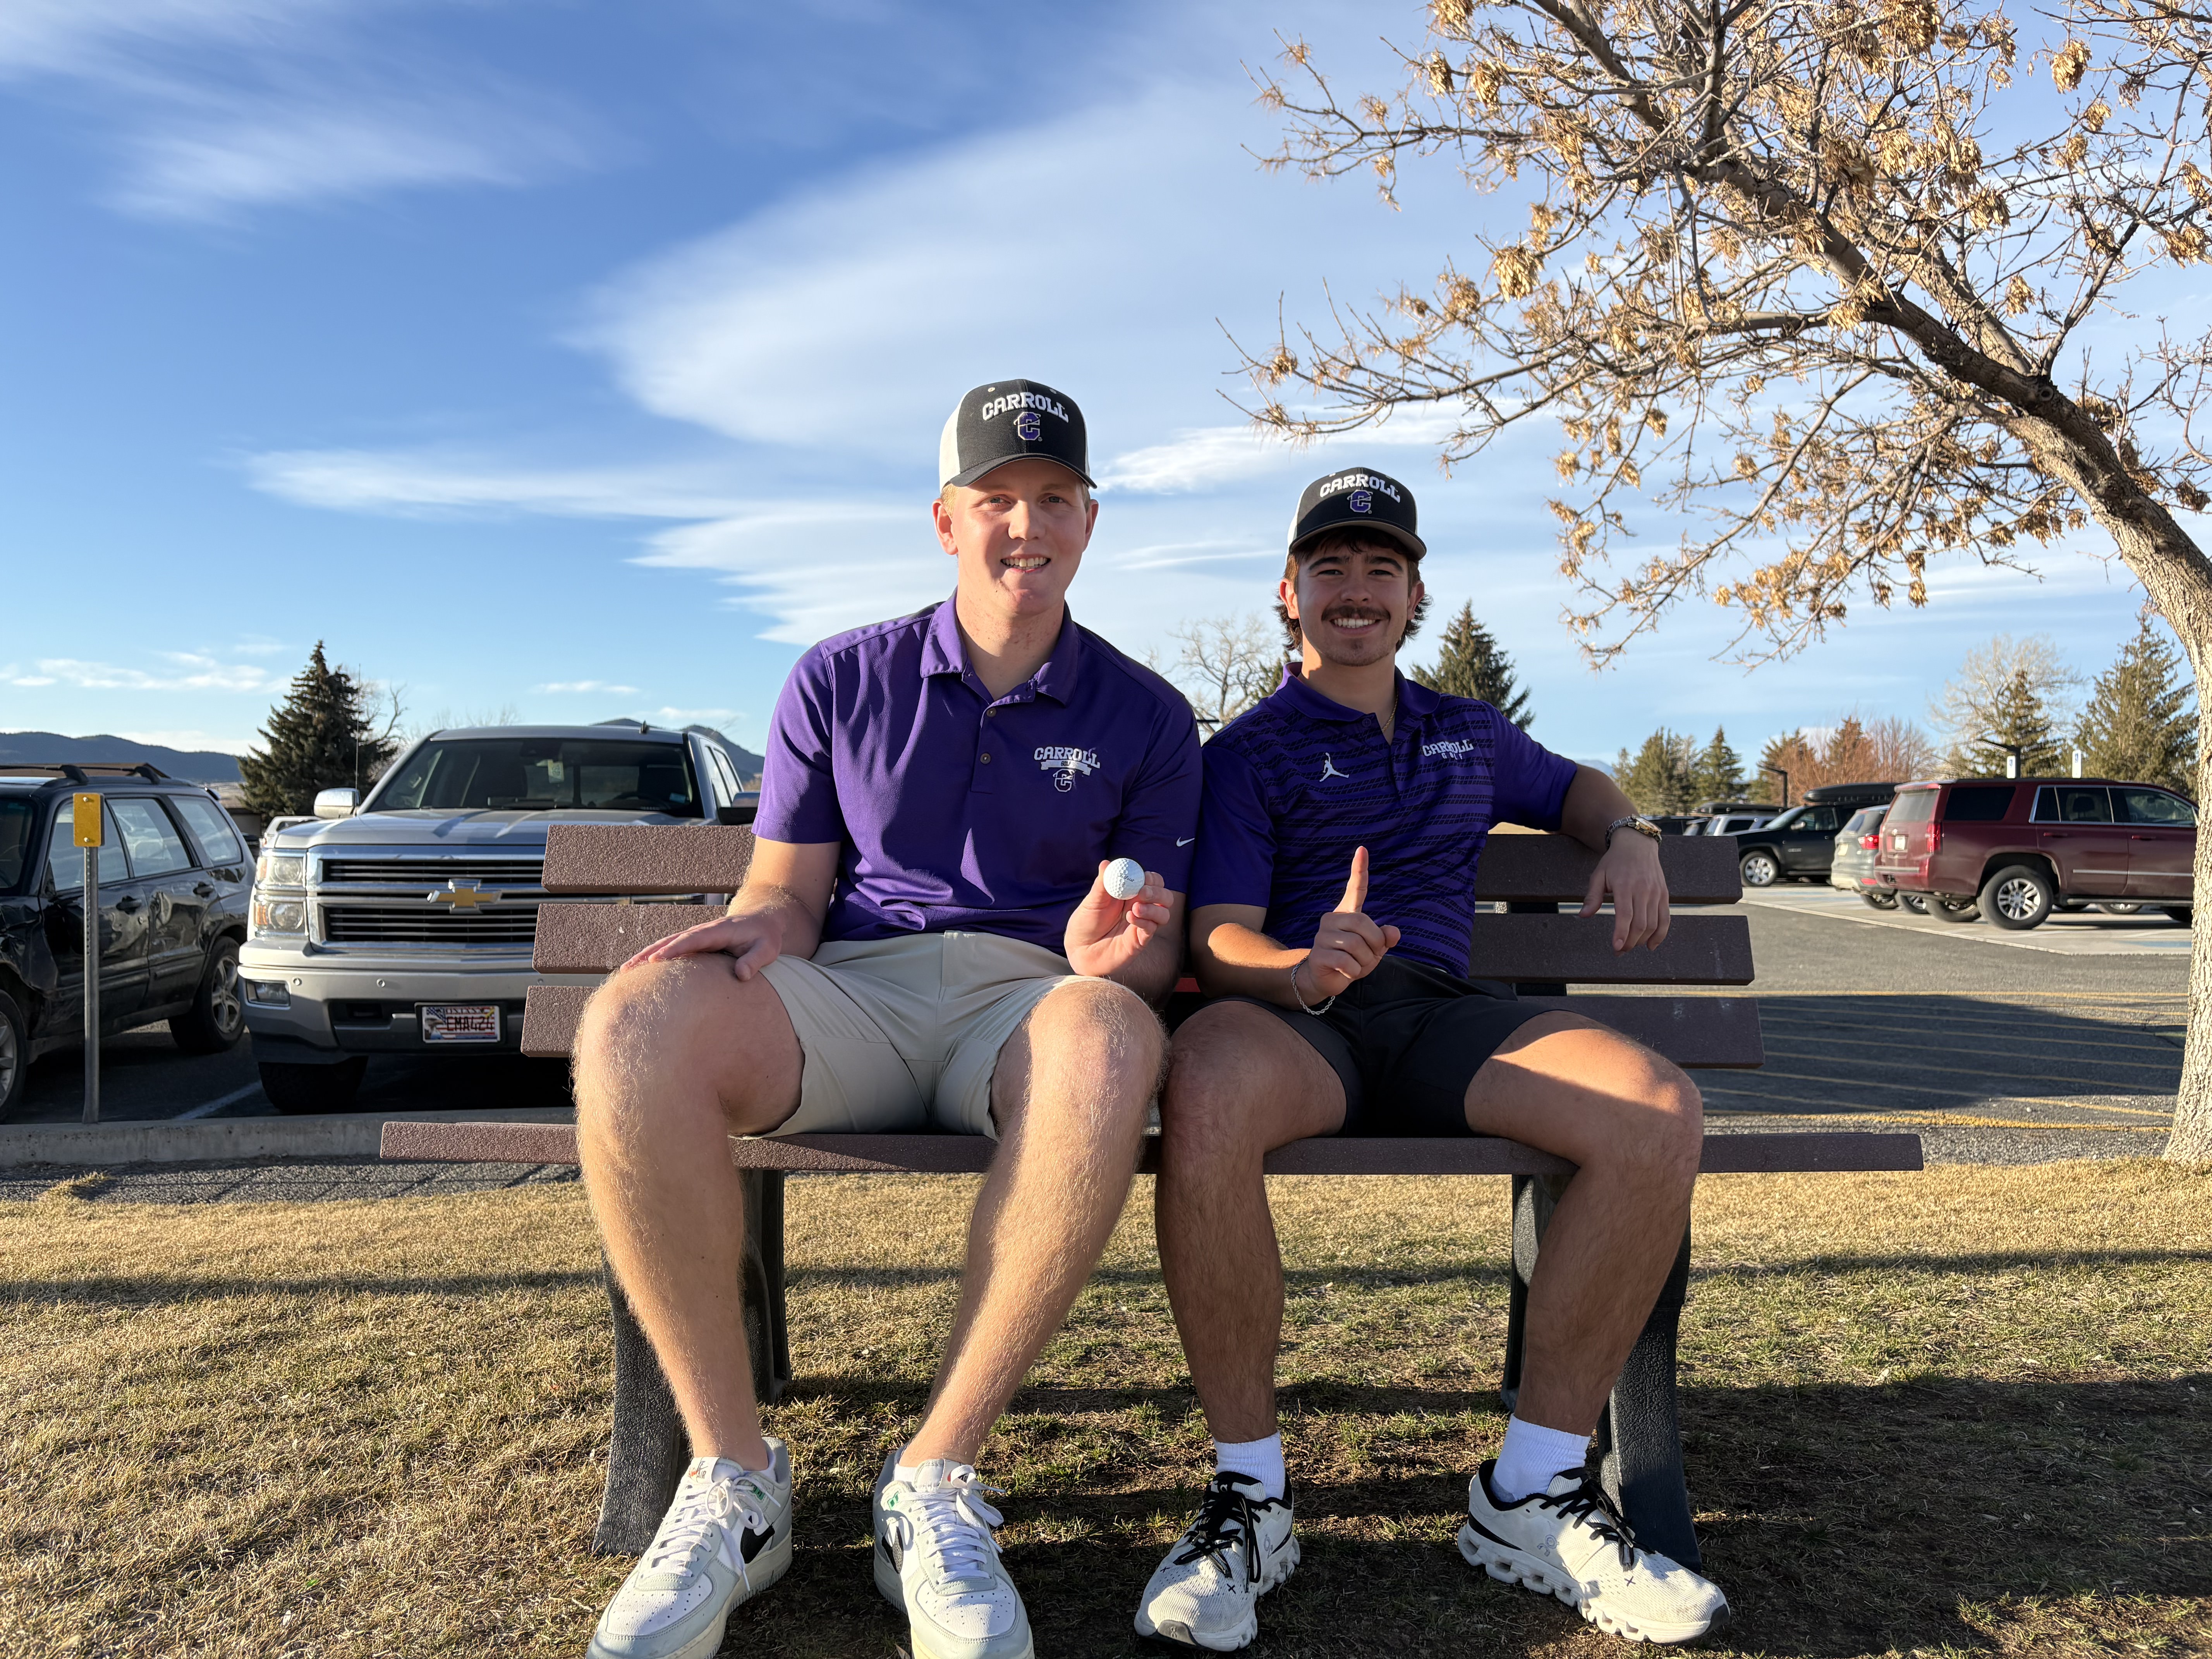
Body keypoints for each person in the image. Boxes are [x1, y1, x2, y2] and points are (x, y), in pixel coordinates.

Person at [573, 380, 1200, 1659]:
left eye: (1054, 500)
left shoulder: (1147, 713)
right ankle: (734, 1481)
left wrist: (1112, 965)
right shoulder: (839, 677)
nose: (1026, 524)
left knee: (1112, 1038)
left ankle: (935, 1481)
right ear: (945, 520)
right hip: (849, 987)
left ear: (1092, 519)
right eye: (996, 501)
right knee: (634, 1024)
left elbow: (1154, 938)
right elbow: (789, 893)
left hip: (1031, 996)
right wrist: (753, 927)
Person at [1135, 467, 1730, 1650]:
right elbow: (1218, 933)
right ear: (1289, 592)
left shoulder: (1469, 731)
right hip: (1300, 1023)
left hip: (1442, 1016)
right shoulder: (1249, 749)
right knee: (1203, 1082)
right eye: (1331, 568)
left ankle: (1533, 1491)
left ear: (1413, 594)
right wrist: (1297, 961)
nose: (1355, 591)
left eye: (1381, 569)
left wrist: (1628, 836)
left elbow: (1576, 788)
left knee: (1655, 1108)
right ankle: (1251, 1498)